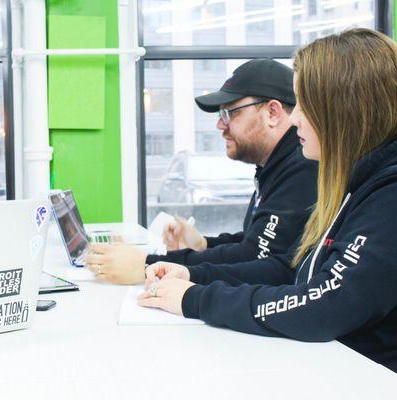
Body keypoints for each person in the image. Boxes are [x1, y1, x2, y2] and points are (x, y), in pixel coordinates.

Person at [137, 28, 397, 372]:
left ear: (343, 110)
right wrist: (191, 274)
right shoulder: (354, 183)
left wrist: (195, 298)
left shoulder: (388, 193)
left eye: (305, 104)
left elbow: (327, 303)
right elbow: (291, 268)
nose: (295, 117)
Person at [86, 59, 318, 284]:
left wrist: (150, 265)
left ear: (273, 113)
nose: (220, 125)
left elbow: (258, 256)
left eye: (230, 113)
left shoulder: (302, 167)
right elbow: (255, 241)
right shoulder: (276, 165)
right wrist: (203, 244)